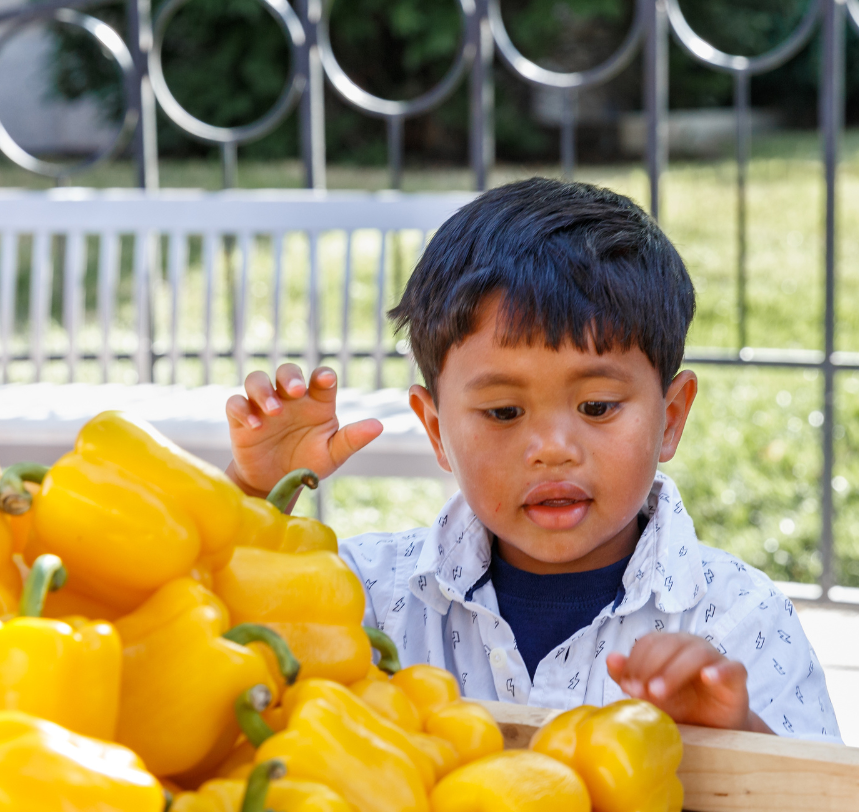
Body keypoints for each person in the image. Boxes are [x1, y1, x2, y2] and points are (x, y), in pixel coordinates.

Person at [225, 178, 838, 741]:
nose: (552, 449)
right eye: (503, 413)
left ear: (670, 418)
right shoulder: (371, 595)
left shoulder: (735, 619)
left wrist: (736, 733)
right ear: (436, 430)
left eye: (597, 405)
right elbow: (215, 655)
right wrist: (251, 497)